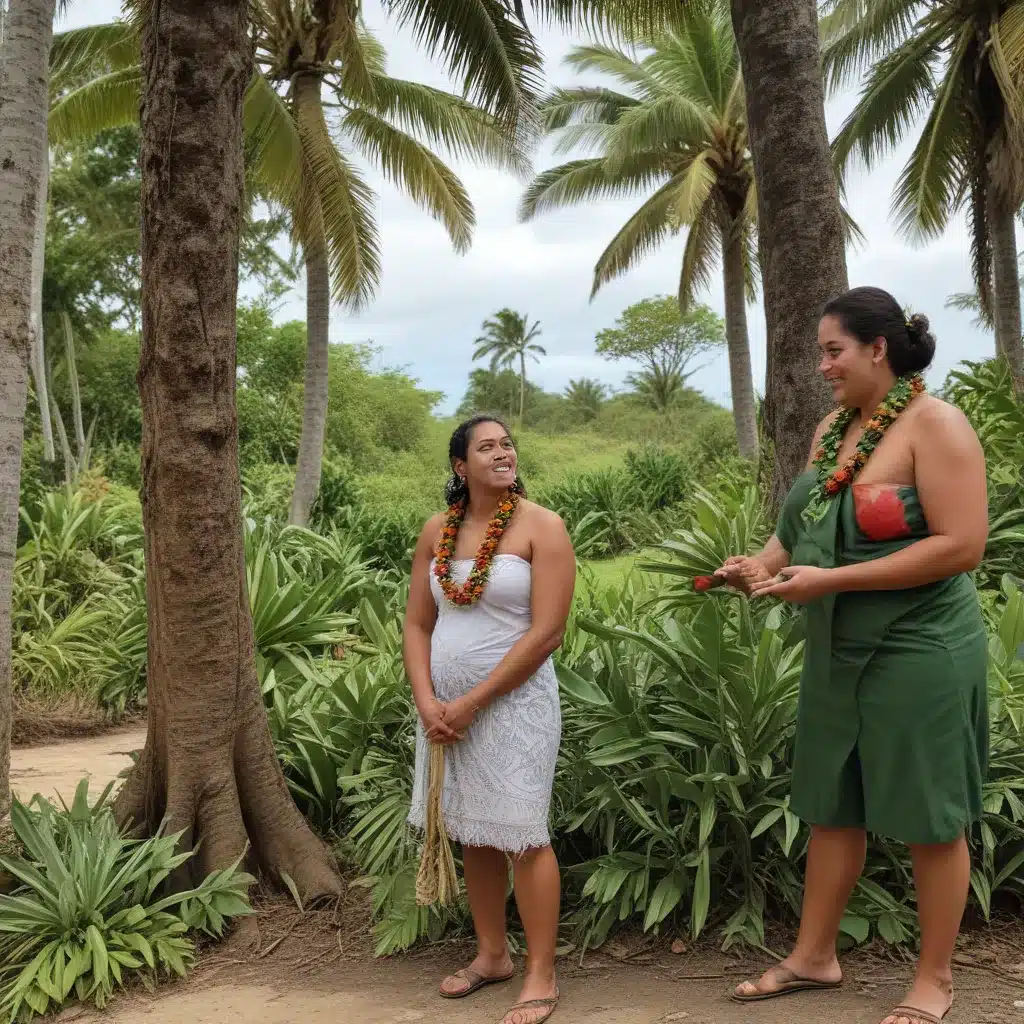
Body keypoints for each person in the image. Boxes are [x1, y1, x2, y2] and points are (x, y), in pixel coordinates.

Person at [717, 287, 989, 1024]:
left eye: (833, 350)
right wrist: (762, 565)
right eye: (819, 353)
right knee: (832, 806)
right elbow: (802, 527)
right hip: (839, 645)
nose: (823, 365)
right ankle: (814, 956)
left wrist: (830, 579)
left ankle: (934, 979)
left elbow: (962, 546)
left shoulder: (938, 426)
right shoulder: (834, 427)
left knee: (933, 816)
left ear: (879, 348)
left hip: (921, 646)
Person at [405, 415, 575, 1024]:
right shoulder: (437, 531)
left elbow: (548, 631)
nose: (502, 453)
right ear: (460, 466)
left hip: (514, 706)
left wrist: (472, 701)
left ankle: (540, 973)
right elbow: (418, 624)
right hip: (443, 714)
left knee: (523, 833)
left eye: (507, 444)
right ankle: (492, 955)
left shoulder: (542, 527)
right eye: (487, 447)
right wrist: (428, 703)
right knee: (473, 831)